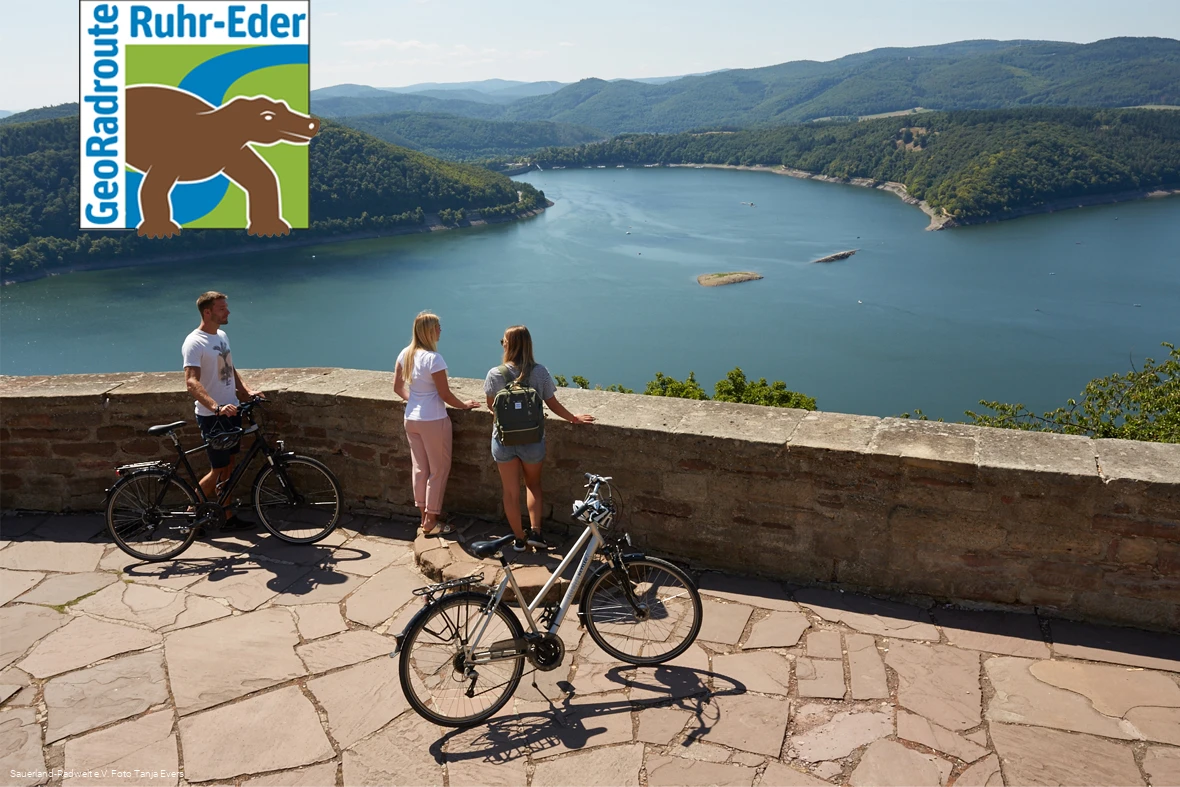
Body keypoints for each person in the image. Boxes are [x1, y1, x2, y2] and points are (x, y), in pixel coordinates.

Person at [484, 325, 594, 552]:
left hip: (504, 441)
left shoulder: (495, 374)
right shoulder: (540, 372)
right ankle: (536, 532)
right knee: (533, 485)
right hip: (533, 440)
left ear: (508, 344)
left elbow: (491, 406)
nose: (502, 343)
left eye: (503, 340)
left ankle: (518, 539)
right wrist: (573, 418)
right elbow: (551, 404)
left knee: (511, 491)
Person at [182, 291, 264, 530]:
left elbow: (229, 368)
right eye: (222, 308)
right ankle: (192, 510)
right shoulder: (194, 342)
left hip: (231, 412)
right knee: (218, 469)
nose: (227, 312)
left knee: (228, 466)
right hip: (213, 417)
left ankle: (226, 516)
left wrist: (246, 392)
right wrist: (215, 407)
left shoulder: (222, 336)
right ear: (207, 312)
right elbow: (191, 382)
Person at [394, 311, 480, 536]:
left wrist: (414, 400)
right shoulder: (434, 359)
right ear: (430, 331)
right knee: (439, 470)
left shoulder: (405, 354)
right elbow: (445, 394)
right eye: (438, 327)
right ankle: (432, 520)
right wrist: (464, 405)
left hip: (411, 418)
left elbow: (397, 388)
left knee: (420, 469)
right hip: (433, 420)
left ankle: (423, 516)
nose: (441, 331)